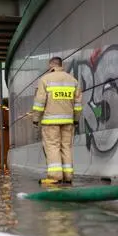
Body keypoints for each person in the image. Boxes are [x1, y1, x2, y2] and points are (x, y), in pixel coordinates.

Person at [32, 56, 82, 184]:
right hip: (68, 121)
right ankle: (68, 176)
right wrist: (76, 119)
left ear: (51, 66)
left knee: (52, 146)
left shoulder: (45, 80)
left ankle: (55, 177)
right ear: (61, 65)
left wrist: (36, 118)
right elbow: (78, 104)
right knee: (66, 147)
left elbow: (40, 102)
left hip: (50, 122)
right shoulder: (73, 80)